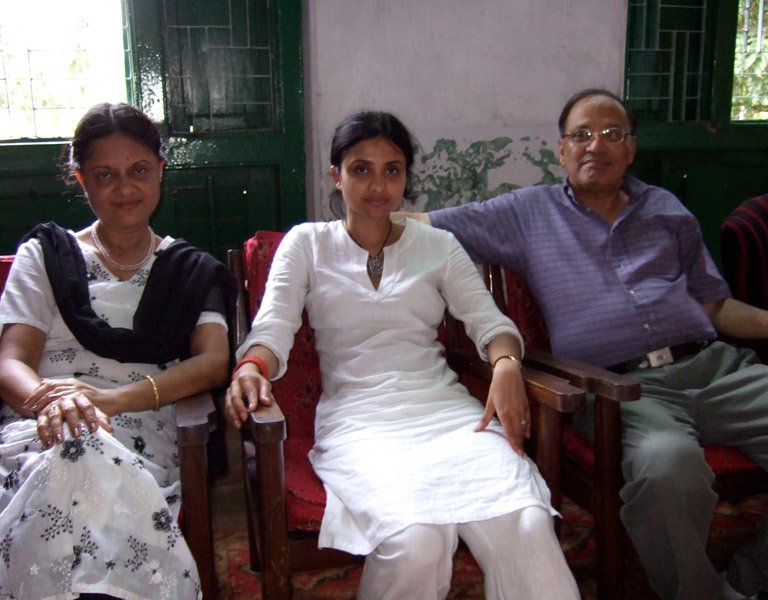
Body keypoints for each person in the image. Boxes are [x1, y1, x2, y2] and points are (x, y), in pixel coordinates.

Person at [400, 88, 768, 600]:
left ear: (631, 149)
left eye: (612, 134)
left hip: (717, 368)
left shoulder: (666, 208)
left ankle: (763, 582)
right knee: (666, 466)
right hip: (622, 390)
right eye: (581, 135)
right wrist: (334, 226)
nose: (596, 145)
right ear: (561, 150)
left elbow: (715, 306)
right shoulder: (527, 213)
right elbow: (425, 225)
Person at [224, 110, 580, 600]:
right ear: (336, 175)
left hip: (448, 417)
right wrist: (251, 365)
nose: (377, 185)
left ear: (407, 178)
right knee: (415, 542)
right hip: (361, 421)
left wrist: (506, 366)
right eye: (361, 169)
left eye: (392, 169)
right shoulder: (306, 245)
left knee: (527, 522)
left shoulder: (439, 246)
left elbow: (490, 324)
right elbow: (273, 328)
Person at [0, 103, 236, 599]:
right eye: (105, 175)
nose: (125, 188)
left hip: (139, 433)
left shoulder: (192, 270)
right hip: (42, 425)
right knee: (71, 455)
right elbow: (10, 363)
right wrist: (57, 402)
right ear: (81, 178)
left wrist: (112, 400)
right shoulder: (46, 256)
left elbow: (213, 362)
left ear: (161, 172)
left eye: (139, 171)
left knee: (85, 458)